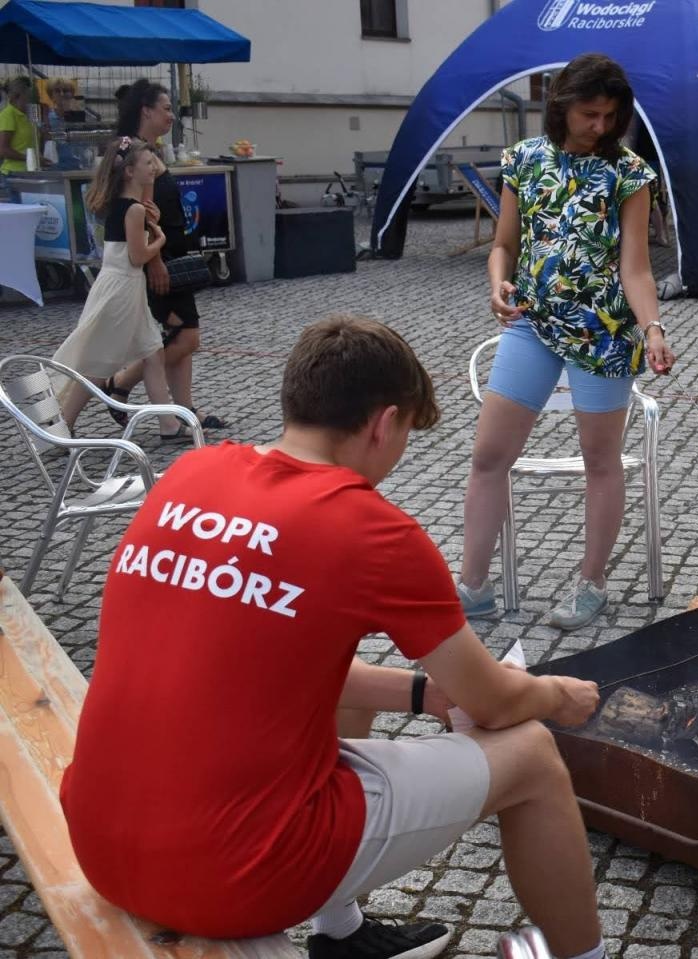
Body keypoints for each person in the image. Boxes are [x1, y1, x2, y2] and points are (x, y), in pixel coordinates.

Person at [61, 315, 607, 959]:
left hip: (101, 842)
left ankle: (341, 934)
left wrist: (417, 694)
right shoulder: (370, 528)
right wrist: (551, 694)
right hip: (229, 876)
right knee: (536, 758)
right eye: (404, 435)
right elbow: (494, 705)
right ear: (383, 423)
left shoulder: (190, 473)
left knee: (332, 667)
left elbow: (267, 663)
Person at [458, 53, 675, 626]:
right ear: (561, 107)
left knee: (600, 461)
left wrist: (652, 327)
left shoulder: (630, 174)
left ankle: (592, 583)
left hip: (604, 334)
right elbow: (503, 244)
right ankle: (472, 586)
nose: (599, 126)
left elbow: (636, 268)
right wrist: (497, 282)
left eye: (609, 116)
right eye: (588, 114)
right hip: (531, 324)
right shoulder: (524, 161)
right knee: (488, 456)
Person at [103, 80, 229, 433]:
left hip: (173, 251)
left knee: (180, 338)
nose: (171, 115)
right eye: (166, 108)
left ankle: (182, 412)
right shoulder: (138, 155)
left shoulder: (152, 151)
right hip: (162, 257)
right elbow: (140, 210)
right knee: (186, 337)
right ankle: (121, 384)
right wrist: (155, 261)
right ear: (146, 111)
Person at [51, 137, 181, 440]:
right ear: (129, 172)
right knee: (99, 360)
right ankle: (64, 425)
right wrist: (159, 238)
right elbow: (137, 257)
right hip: (122, 288)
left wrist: (153, 223)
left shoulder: (125, 206)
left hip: (121, 284)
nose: (153, 168)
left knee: (152, 352)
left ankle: (168, 423)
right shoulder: (133, 209)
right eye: (147, 164)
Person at [0, 76, 39, 175]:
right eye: (29, 98)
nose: (32, 102)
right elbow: (3, 149)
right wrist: (29, 158)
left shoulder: (29, 116)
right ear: (17, 96)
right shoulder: (8, 115)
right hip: (14, 173)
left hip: (31, 171)